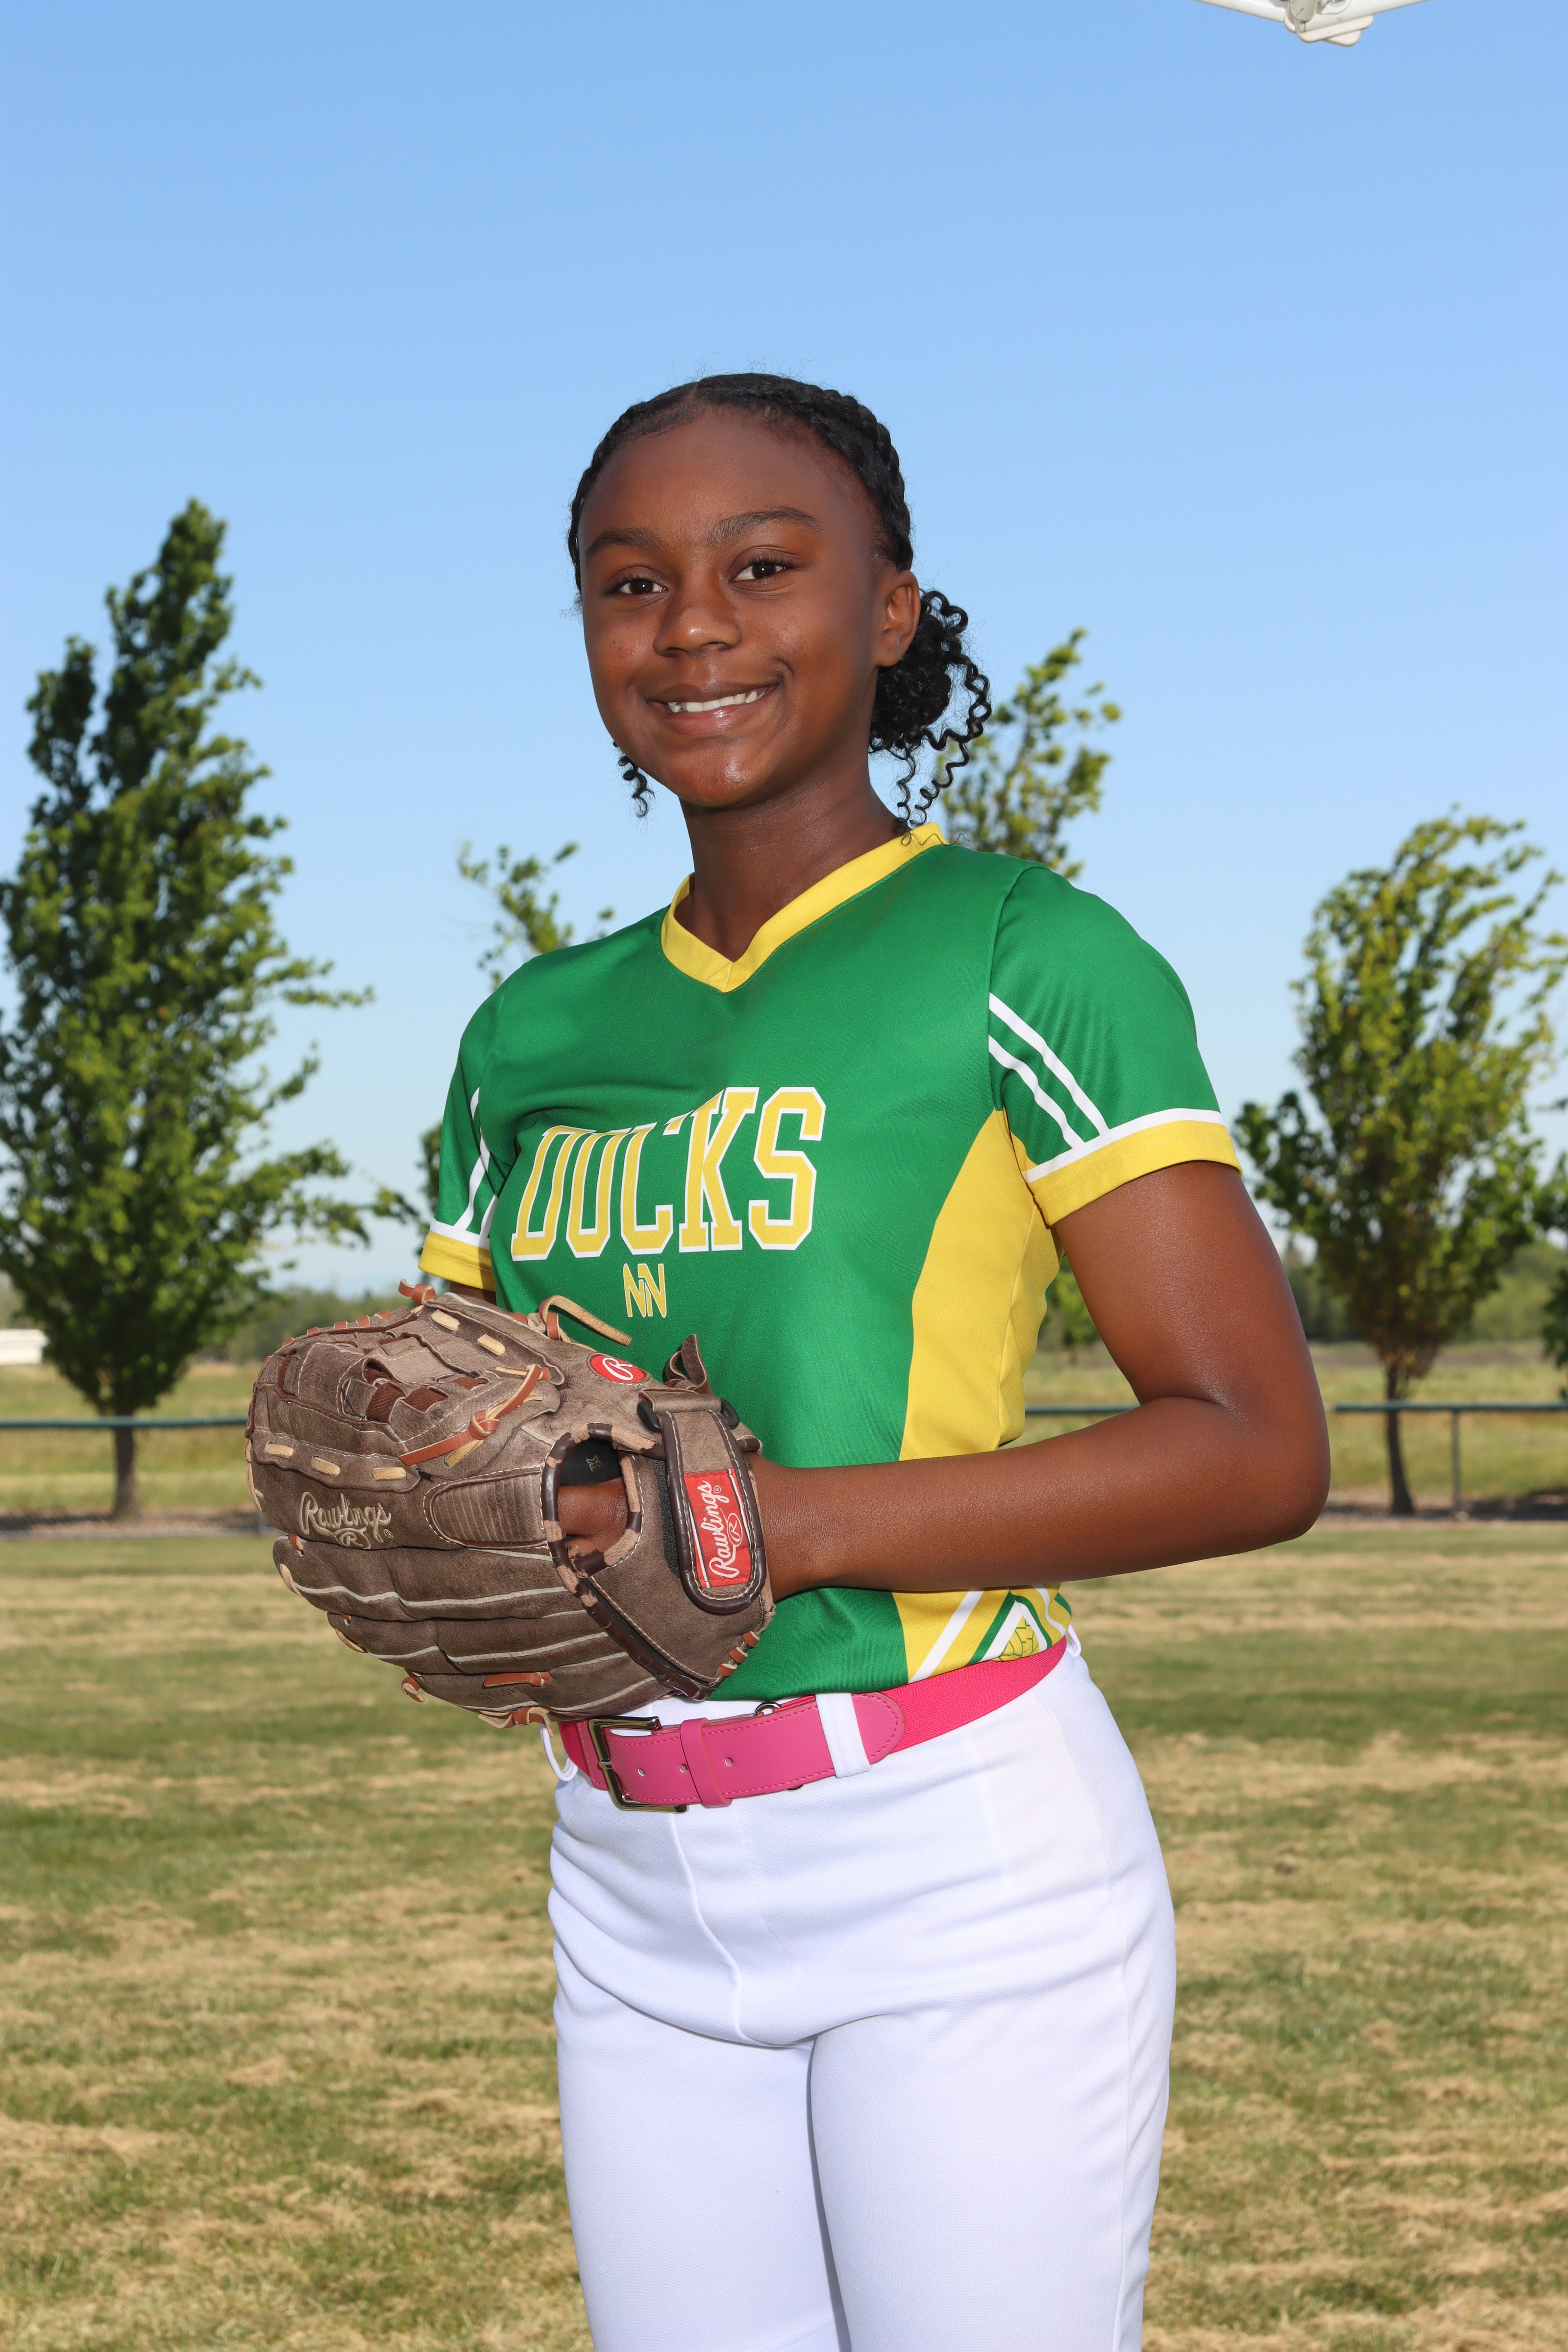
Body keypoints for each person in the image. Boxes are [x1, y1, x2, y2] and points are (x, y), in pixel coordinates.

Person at [417, 373, 1329, 2352]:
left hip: (950, 1848)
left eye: (763, 567)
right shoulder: (527, 1036)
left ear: (892, 607)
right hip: (624, 1864)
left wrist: (786, 1524)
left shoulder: (1024, 953)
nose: (692, 628)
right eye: (630, 582)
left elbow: (1255, 1446)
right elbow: (474, 1441)